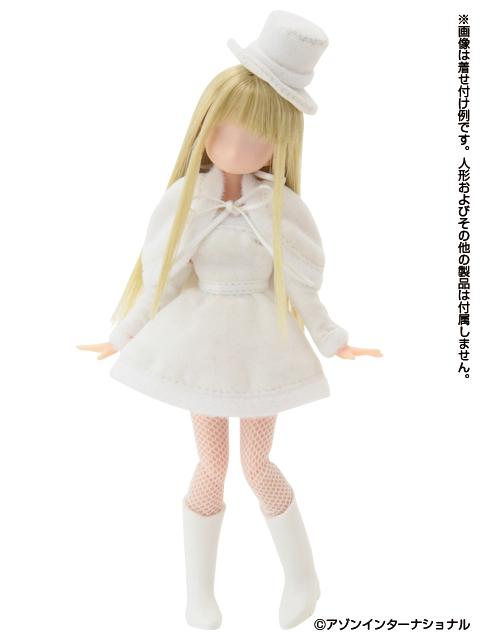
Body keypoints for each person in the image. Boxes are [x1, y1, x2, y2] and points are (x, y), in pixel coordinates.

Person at [78, 10, 382, 630]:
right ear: (205, 125)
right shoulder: (187, 200)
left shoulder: (282, 208)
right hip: (203, 347)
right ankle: (199, 592)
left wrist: (332, 338)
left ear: (281, 142)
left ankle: (303, 577)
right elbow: (162, 277)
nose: (241, 148)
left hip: (263, 346)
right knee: (211, 465)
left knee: (259, 464)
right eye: (228, 131)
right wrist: (123, 334)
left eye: (260, 138)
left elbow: (300, 283)